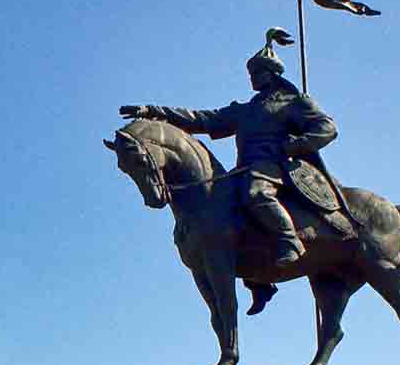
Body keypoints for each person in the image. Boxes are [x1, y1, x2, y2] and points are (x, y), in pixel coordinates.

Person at [120, 28, 352, 275]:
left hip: (277, 166)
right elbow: (200, 119)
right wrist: (153, 111)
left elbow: (327, 128)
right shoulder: (245, 111)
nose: (252, 79)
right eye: (251, 74)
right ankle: (257, 275)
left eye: (257, 73)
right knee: (223, 208)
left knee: (256, 193)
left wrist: (294, 145)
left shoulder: (295, 102)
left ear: (271, 73)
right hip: (246, 168)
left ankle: (289, 240)